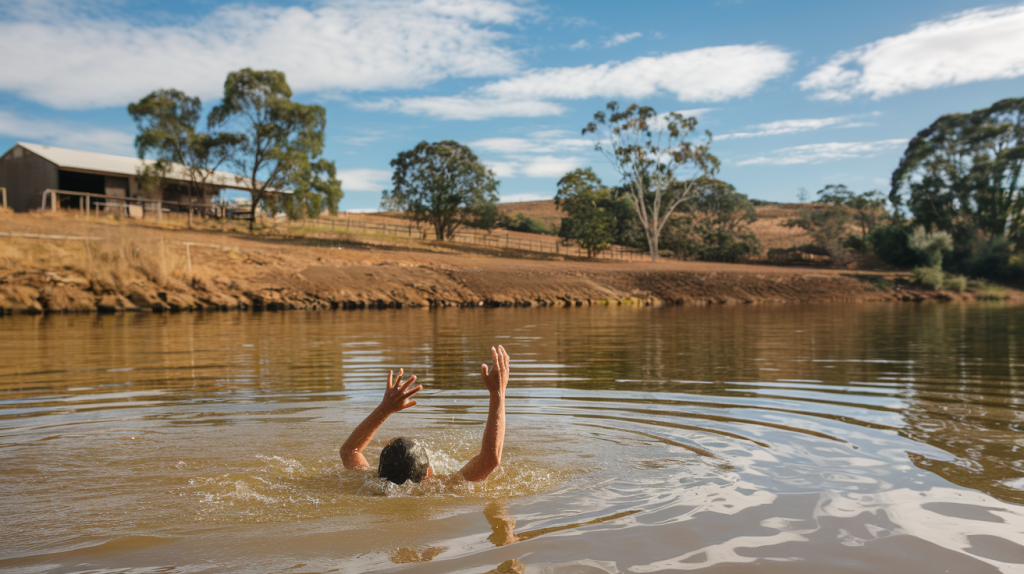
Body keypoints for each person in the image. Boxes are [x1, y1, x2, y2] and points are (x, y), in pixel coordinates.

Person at [341, 345, 510, 484]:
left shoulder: (367, 483)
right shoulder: (442, 488)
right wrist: (498, 392)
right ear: (428, 473)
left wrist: (385, 408)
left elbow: (349, 451)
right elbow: (491, 459)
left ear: (379, 471)